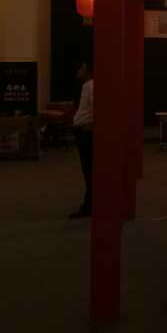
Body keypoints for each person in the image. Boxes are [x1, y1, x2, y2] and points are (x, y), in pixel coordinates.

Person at [70, 60, 93, 219]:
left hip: (86, 132)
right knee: (89, 170)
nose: (79, 71)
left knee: (89, 170)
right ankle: (89, 204)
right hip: (83, 130)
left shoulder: (90, 86)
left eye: (82, 68)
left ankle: (89, 205)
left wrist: (91, 125)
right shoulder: (88, 86)